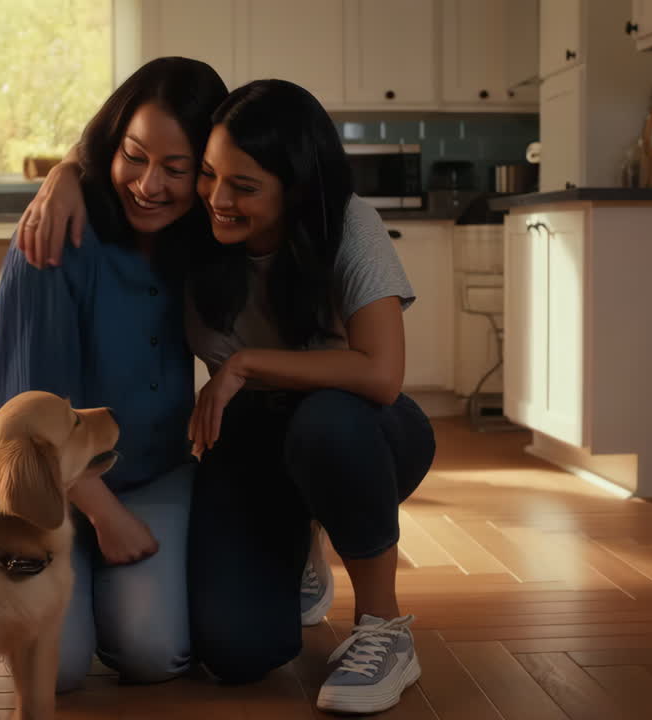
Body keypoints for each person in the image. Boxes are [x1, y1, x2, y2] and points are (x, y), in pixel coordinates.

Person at [182, 79, 436, 715]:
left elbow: (382, 374)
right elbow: (119, 164)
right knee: (236, 652)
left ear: (294, 188)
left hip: (361, 430)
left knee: (325, 426)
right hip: (255, 442)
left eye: (243, 187)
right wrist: (66, 175)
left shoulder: (348, 224)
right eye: (209, 175)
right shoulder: (190, 230)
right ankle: (302, 540)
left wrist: (243, 363)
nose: (217, 199)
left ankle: (383, 628)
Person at [0, 56, 228, 693]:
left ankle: (104, 603)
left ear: (206, 174)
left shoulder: (205, 239)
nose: (149, 185)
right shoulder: (56, 234)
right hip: (48, 493)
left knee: (151, 656)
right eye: (134, 156)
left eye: (177, 169)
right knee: (55, 673)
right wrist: (103, 515)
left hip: (155, 473)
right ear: (110, 144)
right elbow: (17, 408)